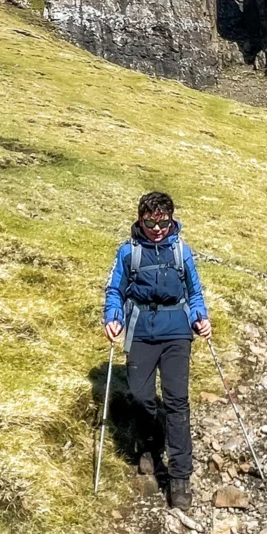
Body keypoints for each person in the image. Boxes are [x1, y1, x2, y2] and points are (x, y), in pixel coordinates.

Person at [104, 191, 211, 511]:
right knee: (140, 396)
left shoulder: (181, 251)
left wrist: (200, 318)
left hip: (177, 331)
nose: (157, 228)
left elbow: (194, 292)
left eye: (163, 221)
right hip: (140, 331)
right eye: (150, 221)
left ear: (171, 219)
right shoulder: (128, 253)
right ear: (140, 219)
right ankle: (150, 444)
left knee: (177, 400)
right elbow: (115, 290)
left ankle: (180, 476)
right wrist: (113, 316)